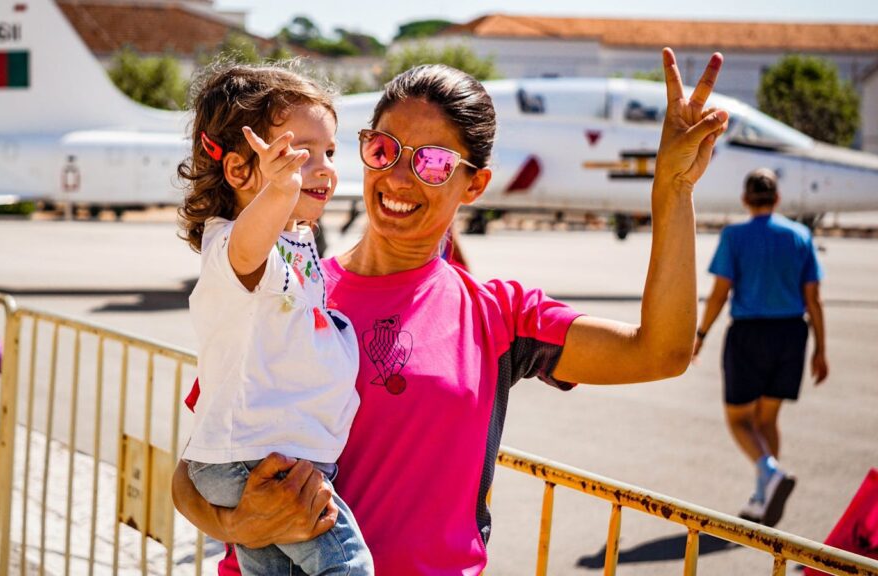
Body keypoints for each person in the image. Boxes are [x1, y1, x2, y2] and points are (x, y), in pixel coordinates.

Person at [173, 48, 728, 574]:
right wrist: (236, 521)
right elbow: (194, 467)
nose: (398, 178)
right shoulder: (286, 291)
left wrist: (672, 191)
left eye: (435, 163)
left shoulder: (497, 316)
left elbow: (661, 352)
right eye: (384, 149)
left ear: (475, 184)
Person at [175, 63, 372, 575]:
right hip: (254, 459)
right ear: (240, 171)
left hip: (263, 458)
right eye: (299, 154)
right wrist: (279, 192)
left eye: (329, 152)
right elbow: (247, 247)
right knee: (347, 567)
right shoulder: (236, 247)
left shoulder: (295, 241)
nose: (324, 167)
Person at [693, 168, 827, 527]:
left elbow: (721, 291)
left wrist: (701, 333)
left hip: (750, 335)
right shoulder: (800, 235)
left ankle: (769, 472)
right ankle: (763, 493)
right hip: (791, 334)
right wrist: (821, 349)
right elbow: (813, 299)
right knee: (767, 418)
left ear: (745, 199)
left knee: (738, 419)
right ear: (777, 198)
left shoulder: (735, 235)